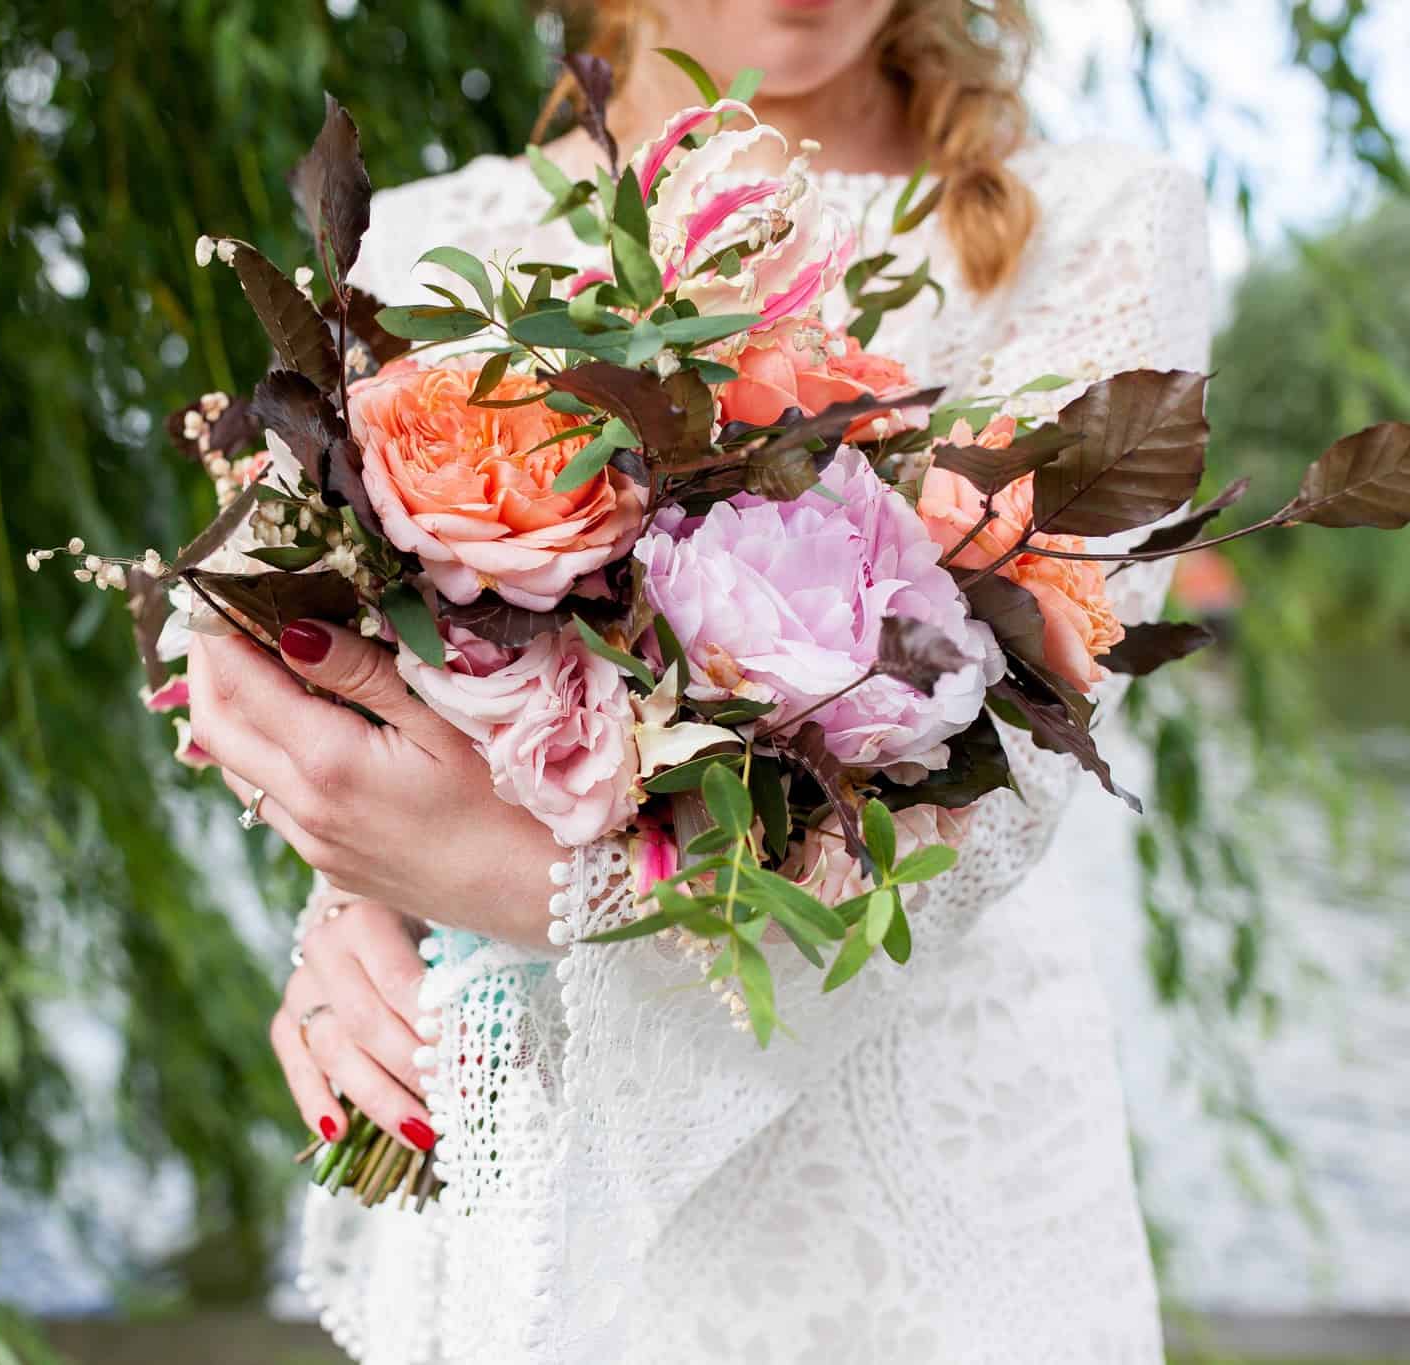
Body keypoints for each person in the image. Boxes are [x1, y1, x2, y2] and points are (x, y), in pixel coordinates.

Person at [183, 1, 1210, 1359]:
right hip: (530, 1130)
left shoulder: (1099, 225)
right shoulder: (431, 240)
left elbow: (1001, 799)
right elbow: (379, 678)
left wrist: (514, 887)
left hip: (922, 1186)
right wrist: (348, 908)